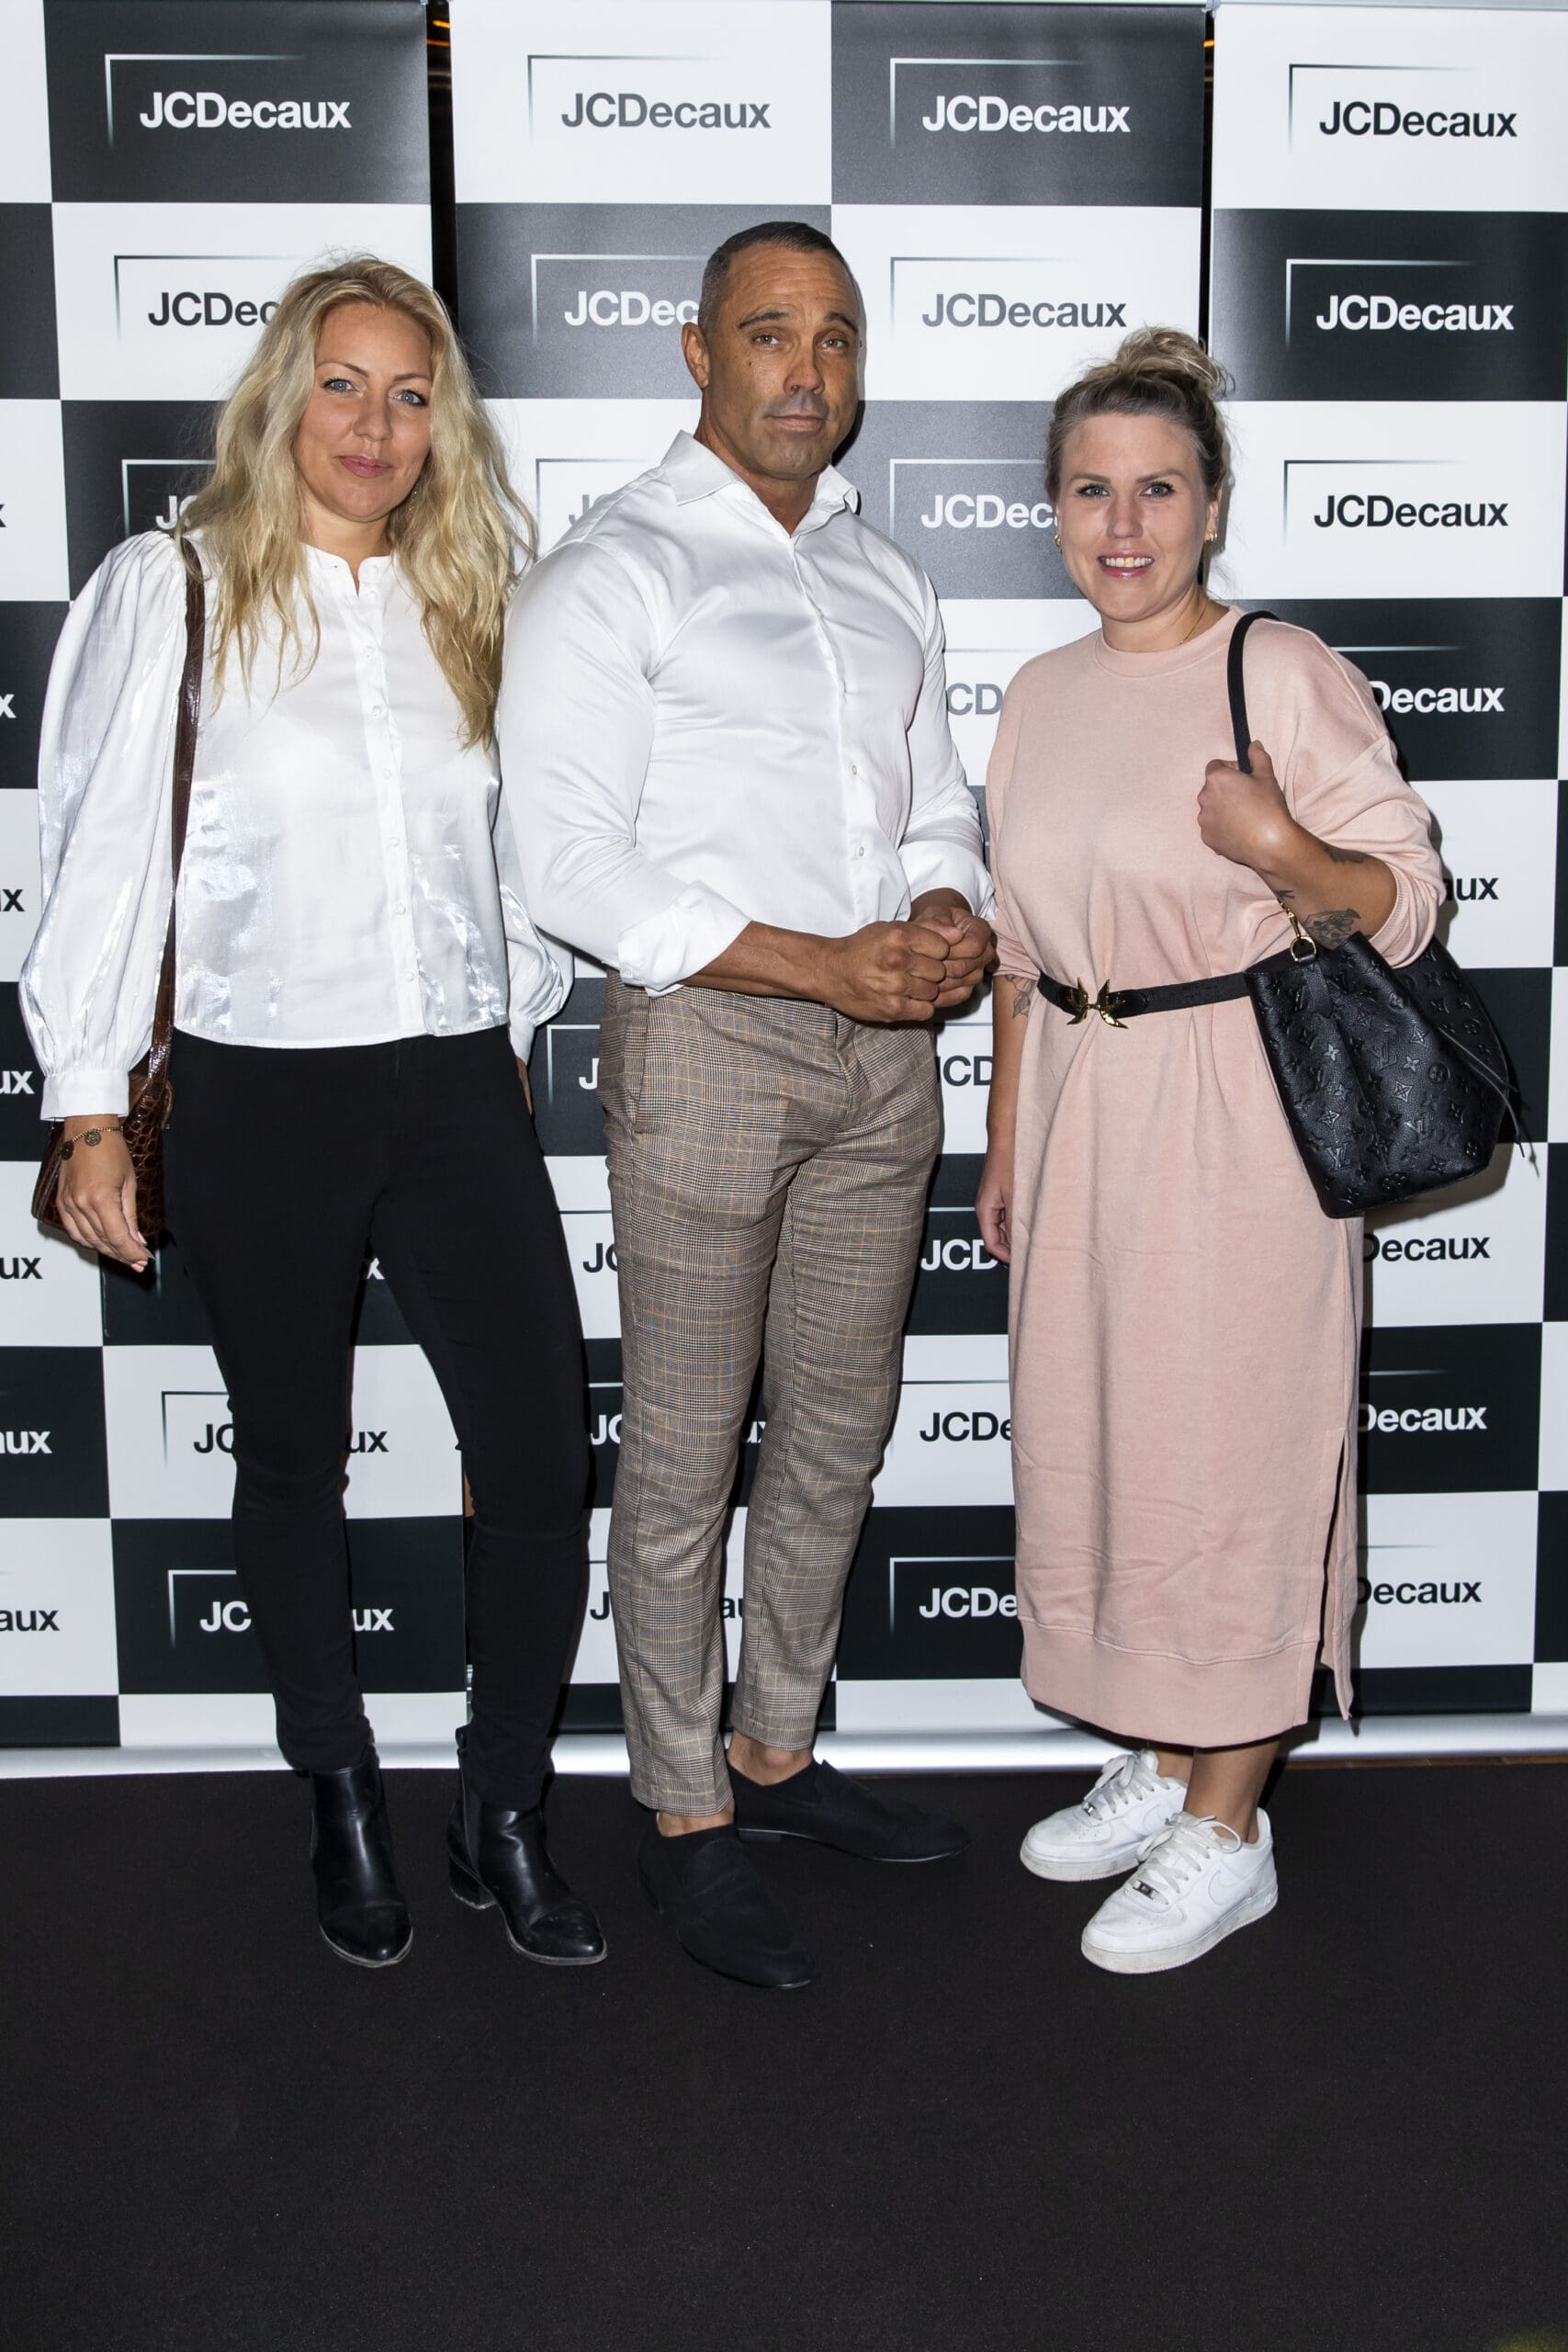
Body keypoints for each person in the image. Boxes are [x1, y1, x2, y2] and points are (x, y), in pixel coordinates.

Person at [22, 257, 604, 1973]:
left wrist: (510, 1009)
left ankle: (502, 1804)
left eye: (410, 394)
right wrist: (85, 1103)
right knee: (289, 1459)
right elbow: (101, 844)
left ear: (444, 423)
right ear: (283, 399)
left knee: (539, 1458)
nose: (375, 424)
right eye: (342, 385)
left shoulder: (472, 596)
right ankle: (339, 1788)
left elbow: (512, 853)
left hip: (454, 1081)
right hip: (258, 1082)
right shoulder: (177, 587)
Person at [501, 220, 996, 1991]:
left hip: (883, 1056)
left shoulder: (885, 573)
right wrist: (820, 964)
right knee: (689, 1446)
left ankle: (777, 1752)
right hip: (712, 1040)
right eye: (770, 331)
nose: (809, 367)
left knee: (842, 1427)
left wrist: (944, 912)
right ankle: (683, 1809)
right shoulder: (613, 569)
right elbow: (564, 861)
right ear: (699, 353)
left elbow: (936, 801)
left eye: (837, 335)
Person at [976, 329, 1443, 1974]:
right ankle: (1167, 1761)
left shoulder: (1279, 670)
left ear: (1215, 506)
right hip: (1082, 1105)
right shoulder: (1038, 697)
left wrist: (1282, 843)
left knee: (1237, 1456)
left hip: (1240, 1116)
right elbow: (1021, 953)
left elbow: (1405, 900)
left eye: (1159, 490)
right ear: (1053, 510)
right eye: (1091, 491)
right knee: (1114, 1449)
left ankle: (1231, 1828)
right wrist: (1006, 1140)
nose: (1124, 526)